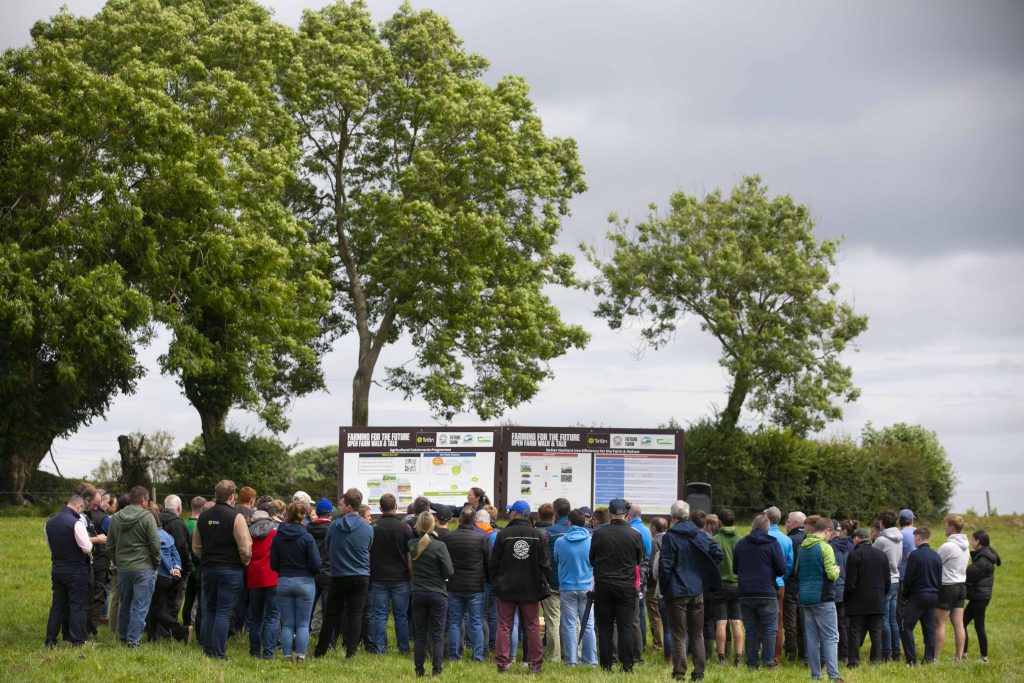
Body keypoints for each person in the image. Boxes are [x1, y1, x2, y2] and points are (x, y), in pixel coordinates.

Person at [660, 499, 724, 681]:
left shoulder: (670, 537)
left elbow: (665, 566)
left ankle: (679, 672)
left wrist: (664, 588)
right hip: (697, 591)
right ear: (687, 515)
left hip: (676, 591)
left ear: (673, 517)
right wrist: (703, 572)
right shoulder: (700, 535)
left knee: (678, 634)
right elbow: (717, 554)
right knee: (697, 634)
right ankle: (699, 672)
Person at [192, 480, 252, 660]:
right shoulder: (236, 517)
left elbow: (196, 547)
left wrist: (208, 558)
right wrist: (243, 563)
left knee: (209, 609)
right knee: (224, 611)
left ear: (215, 494)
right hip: (230, 569)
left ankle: (207, 649)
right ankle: (218, 653)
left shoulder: (203, 517)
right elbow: (245, 548)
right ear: (232, 496)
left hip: (208, 568)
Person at [313, 488, 374, 659]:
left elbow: (329, 546)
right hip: (361, 575)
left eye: (341, 505)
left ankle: (320, 651)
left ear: (348, 506)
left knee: (331, 614)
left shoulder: (334, 525)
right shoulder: (367, 527)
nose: (338, 508)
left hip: (339, 574)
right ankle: (351, 652)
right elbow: (368, 548)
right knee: (355, 615)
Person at [490, 500, 550, 674]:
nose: (509, 514)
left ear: (515, 514)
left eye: (510, 512)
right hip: (531, 589)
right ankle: (535, 666)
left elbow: (494, 564)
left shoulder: (504, 534)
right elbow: (545, 565)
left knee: (504, 625)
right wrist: (540, 581)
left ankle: (502, 664)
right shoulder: (537, 535)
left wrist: (497, 583)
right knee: (532, 626)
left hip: (506, 588)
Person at [590, 498, 643, 673]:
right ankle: (627, 665)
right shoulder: (635, 534)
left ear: (610, 513)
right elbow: (638, 560)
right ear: (625, 514)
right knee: (625, 626)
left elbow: (592, 559)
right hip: (626, 586)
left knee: (605, 627)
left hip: (604, 584)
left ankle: (606, 665)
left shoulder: (599, 534)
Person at [108, 485, 160, 648]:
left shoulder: (115, 517)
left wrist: (118, 561)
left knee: (125, 603)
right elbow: (155, 544)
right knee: (140, 606)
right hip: (144, 568)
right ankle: (133, 640)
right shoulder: (147, 517)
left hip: (124, 568)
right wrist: (155, 562)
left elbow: (109, 545)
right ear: (144, 500)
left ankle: (123, 636)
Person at [733, 514, 786, 669]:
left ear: (752, 526)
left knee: (750, 629)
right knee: (770, 629)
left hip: (745, 592)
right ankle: (768, 662)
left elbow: (735, 568)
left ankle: (752, 663)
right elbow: (781, 568)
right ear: (767, 528)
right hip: (767, 592)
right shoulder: (773, 544)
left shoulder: (741, 544)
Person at [272, 501, 322, 662]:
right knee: (302, 624)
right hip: (305, 582)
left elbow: (273, 563)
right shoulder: (307, 536)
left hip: (284, 580)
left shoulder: (278, 535)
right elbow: (316, 562)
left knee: (287, 623)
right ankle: (300, 656)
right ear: (303, 516)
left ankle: (286, 656)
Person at [794, 515, 842, 681]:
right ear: (828, 530)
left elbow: (797, 572)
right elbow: (830, 574)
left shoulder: (802, 547)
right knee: (830, 637)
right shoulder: (825, 547)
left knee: (812, 639)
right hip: (823, 598)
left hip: (806, 598)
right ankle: (834, 676)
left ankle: (816, 676)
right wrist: (837, 571)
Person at [44, 494, 95, 647]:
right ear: (79, 507)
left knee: (58, 605)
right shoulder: (76, 523)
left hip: (57, 569)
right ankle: (77, 640)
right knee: (77, 605)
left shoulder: (49, 523)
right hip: (76, 570)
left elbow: (49, 547)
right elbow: (87, 547)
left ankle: (50, 640)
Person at [409, 511, 454, 676]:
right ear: (433, 524)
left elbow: (411, 570)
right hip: (437, 593)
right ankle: (437, 670)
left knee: (420, 635)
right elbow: (449, 571)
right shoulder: (439, 545)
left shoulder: (412, 544)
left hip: (418, 592)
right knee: (437, 634)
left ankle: (419, 670)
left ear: (418, 525)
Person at [442, 506, 489, 662]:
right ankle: (478, 656)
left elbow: (445, 562)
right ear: (474, 520)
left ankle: (454, 656)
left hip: (454, 585)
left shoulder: (449, 537)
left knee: (455, 622)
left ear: (460, 519)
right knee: (476, 622)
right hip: (475, 586)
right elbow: (487, 563)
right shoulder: (481, 538)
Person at [368, 492, 413, 655]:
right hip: (401, 578)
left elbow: (368, 553)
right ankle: (404, 649)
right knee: (401, 616)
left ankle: (380, 649)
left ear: (380, 508)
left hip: (378, 577)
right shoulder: (404, 528)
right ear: (395, 507)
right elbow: (410, 555)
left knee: (380, 615)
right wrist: (411, 575)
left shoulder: (372, 527)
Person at [554, 508, 596, 667]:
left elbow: (557, 559)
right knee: (588, 625)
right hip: (587, 587)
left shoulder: (560, 541)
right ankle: (590, 661)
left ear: (569, 523)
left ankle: (571, 660)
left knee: (569, 625)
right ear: (584, 522)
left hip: (567, 587)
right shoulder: (592, 540)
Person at [844, 527, 888, 666]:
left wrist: (847, 598)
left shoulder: (855, 555)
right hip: (877, 600)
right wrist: (882, 595)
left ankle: (853, 661)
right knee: (876, 632)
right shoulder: (881, 555)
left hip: (858, 601)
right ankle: (875, 661)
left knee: (855, 632)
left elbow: (851, 582)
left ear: (857, 539)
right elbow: (887, 580)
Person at [146, 505, 189, 643]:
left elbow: (158, 554)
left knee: (155, 609)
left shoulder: (153, 535)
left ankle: (181, 631)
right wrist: (177, 566)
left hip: (159, 575)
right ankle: (153, 637)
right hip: (168, 578)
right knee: (156, 606)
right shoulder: (167, 535)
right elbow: (175, 553)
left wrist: (170, 568)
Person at [900, 526, 941, 664]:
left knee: (906, 626)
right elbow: (940, 578)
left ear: (918, 537)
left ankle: (911, 660)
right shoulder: (936, 555)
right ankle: (929, 658)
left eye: (914, 538)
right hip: (933, 595)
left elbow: (909, 578)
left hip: (918, 595)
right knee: (929, 628)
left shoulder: (914, 555)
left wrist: (905, 595)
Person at [245, 509, 279, 658]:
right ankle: (269, 653)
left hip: (254, 577)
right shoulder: (275, 533)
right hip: (272, 576)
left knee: (255, 617)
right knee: (272, 616)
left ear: (253, 520)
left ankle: (254, 652)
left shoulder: (248, 534)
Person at [935, 514, 969, 662]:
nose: (944, 527)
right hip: (961, 586)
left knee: (940, 622)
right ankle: (958, 657)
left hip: (947, 587)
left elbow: (935, 563)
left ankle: (935, 658)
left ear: (952, 528)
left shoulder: (948, 546)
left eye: (946, 525)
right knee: (959, 624)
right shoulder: (965, 546)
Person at [712, 508, 743, 666]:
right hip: (737, 585)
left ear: (720, 521)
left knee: (721, 622)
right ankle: (738, 657)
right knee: (737, 621)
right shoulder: (740, 539)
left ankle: (722, 657)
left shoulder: (715, 539)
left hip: (720, 585)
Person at [964, 529, 999, 663]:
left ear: (978, 541)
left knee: (979, 626)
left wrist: (967, 579)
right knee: (963, 622)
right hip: (979, 596)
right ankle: (964, 654)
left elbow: (969, 574)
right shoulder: (984, 555)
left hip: (980, 596)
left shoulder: (983, 559)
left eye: (973, 540)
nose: (971, 542)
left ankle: (984, 658)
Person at [542, 497, 571, 663]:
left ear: (556, 512)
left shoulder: (549, 533)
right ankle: (573, 654)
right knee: (573, 621)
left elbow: (545, 558)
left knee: (553, 621)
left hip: (552, 582)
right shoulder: (579, 531)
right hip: (572, 583)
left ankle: (554, 657)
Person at [764, 506, 793, 665]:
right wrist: (781, 578)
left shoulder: (762, 535)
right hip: (779, 584)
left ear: (766, 519)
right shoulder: (786, 539)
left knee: (761, 621)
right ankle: (777, 657)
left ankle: (762, 653)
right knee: (778, 622)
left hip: (762, 584)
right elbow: (789, 564)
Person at [872, 510, 903, 661]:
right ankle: (896, 651)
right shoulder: (900, 539)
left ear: (882, 523)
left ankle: (887, 652)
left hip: (884, 580)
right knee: (893, 619)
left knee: (884, 619)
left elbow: (873, 558)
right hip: (896, 579)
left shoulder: (881, 540)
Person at [627, 503, 652, 662]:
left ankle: (634, 646)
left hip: (634, 576)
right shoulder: (647, 530)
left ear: (629, 515)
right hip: (643, 575)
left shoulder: (633, 531)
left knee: (633, 615)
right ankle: (641, 643)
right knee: (640, 614)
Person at [828, 520, 854, 665]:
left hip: (835, 589)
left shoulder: (830, 547)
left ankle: (840, 654)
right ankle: (847, 652)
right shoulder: (851, 546)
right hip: (849, 588)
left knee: (836, 624)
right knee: (846, 622)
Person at [86, 489, 111, 635]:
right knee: (98, 595)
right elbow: (112, 538)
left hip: (86, 559)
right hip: (101, 560)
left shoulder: (82, 517)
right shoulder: (105, 519)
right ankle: (91, 630)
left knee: (86, 595)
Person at [307, 498, 333, 639]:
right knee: (328, 609)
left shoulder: (308, 528)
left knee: (309, 607)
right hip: (329, 573)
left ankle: (305, 634)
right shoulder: (333, 529)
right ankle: (328, 639)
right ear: (330, 514)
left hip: (312, 572)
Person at [783, 510, 806, 663]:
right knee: (803, 622)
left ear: (796, 523)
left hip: (791, 585)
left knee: (790, 623)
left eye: (789, 521)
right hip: (805, 587)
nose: (786, 524)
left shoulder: (789, 540)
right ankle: (804, 653)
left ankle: (791, 653)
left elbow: (785, 564)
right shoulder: (808, 539)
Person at [181, 496, 205, 631]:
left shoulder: (185, 523)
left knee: (188, 599)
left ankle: (186, 626)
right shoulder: (199, 526)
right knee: (199, 601)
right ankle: (196, 626)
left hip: (187, 567)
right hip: (198, 566)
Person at [647, 516, 669, 658]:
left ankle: (658, 644)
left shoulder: (655, 542)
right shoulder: (670, 539)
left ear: (654, 528)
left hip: (655, 584)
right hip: (670, 584)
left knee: (655, 615)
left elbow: (652, 565)